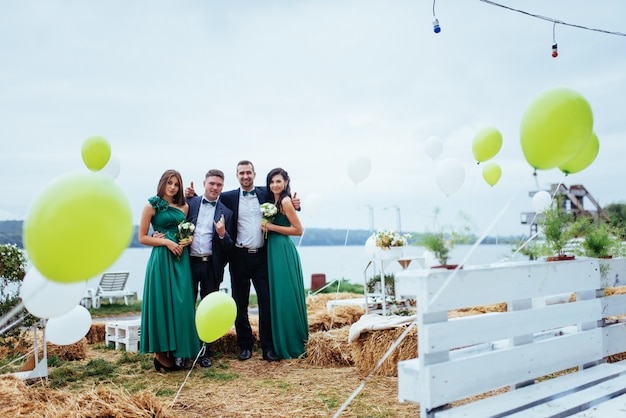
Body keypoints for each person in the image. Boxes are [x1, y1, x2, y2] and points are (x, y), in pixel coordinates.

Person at [211, 160, 300, 362]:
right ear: (237, 176)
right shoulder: (228, 197)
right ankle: (245, 345)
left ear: (254, 174)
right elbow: (209, 200)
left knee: (266, 301)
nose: (245, 176)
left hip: (262, 256)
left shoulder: (266, 193)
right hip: (238, 256)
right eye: (241, 173)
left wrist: (297, 204)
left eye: (248, 172)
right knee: (239, 303)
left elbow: (283, 199)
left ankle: (268, 347)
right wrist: (189, 197)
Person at [138, 169, 200, 372]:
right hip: (162, 258)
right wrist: (164, 242)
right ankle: (160, 354)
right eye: (170, 183)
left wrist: (188, 240)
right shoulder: (151, 205)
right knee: (161, 302)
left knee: (181, 303)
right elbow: (142, 238)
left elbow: (184, 231)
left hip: (180, 258)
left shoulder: (184, 207)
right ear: (163, 183)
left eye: (176, 184)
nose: (173, 187)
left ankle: (178, 350)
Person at [184, 169, 234, 367]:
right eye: (212, 183)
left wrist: (222, 234)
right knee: (186, 306)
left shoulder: (227, 212)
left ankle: (206, 351)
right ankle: (184, 350)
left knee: (209, 309)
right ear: (204, 183)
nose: (215, 187)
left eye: (219, 185)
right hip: (188, 264)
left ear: (222, 187)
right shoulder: (189, 203)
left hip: (211, 266)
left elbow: (230, 247)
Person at [261, 168, 309, 359]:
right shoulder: (273, 200)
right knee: (278, 298)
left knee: (285, 297)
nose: (275, 185)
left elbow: (298, 230)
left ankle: (293, 344)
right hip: (272, 250)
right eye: (272, 182)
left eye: (278, 181)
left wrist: (270, 226)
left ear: (286, 182)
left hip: (282, 251)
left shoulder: (286, 201)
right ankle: (281, 342)